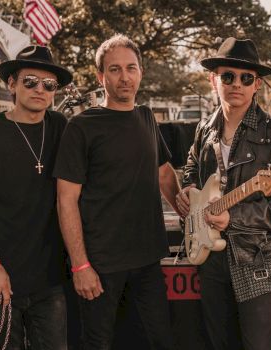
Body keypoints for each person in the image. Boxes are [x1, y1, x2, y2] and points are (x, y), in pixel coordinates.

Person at [176, 37, 271, 350]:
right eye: (227, 76)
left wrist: (234, 217)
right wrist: (187, 189)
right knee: (218, 342)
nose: (236, 83)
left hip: (260, 259)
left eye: (245, 78)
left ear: (257, 84)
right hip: (211, 258)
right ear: (214, 80)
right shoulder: (204, 129)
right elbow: (192, 166)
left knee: (258, 345)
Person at [53, 33, 181, 350]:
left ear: (140, 72)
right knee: (99, 343)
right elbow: (65, 200)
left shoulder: (147, 117)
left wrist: (191, 217)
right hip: (101, 264)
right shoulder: (82, 126)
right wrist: (80, 265)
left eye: (131, 68)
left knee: (159, 340)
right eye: (114, 69)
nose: (124, 77)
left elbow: (164, 173)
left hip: (148, 258)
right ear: (100, 76)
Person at [0, 45, 72, 349]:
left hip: (50, 279)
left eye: (49, 85)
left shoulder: (61, 127)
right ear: (12, 84)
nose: (40, 90)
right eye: (30, 81)